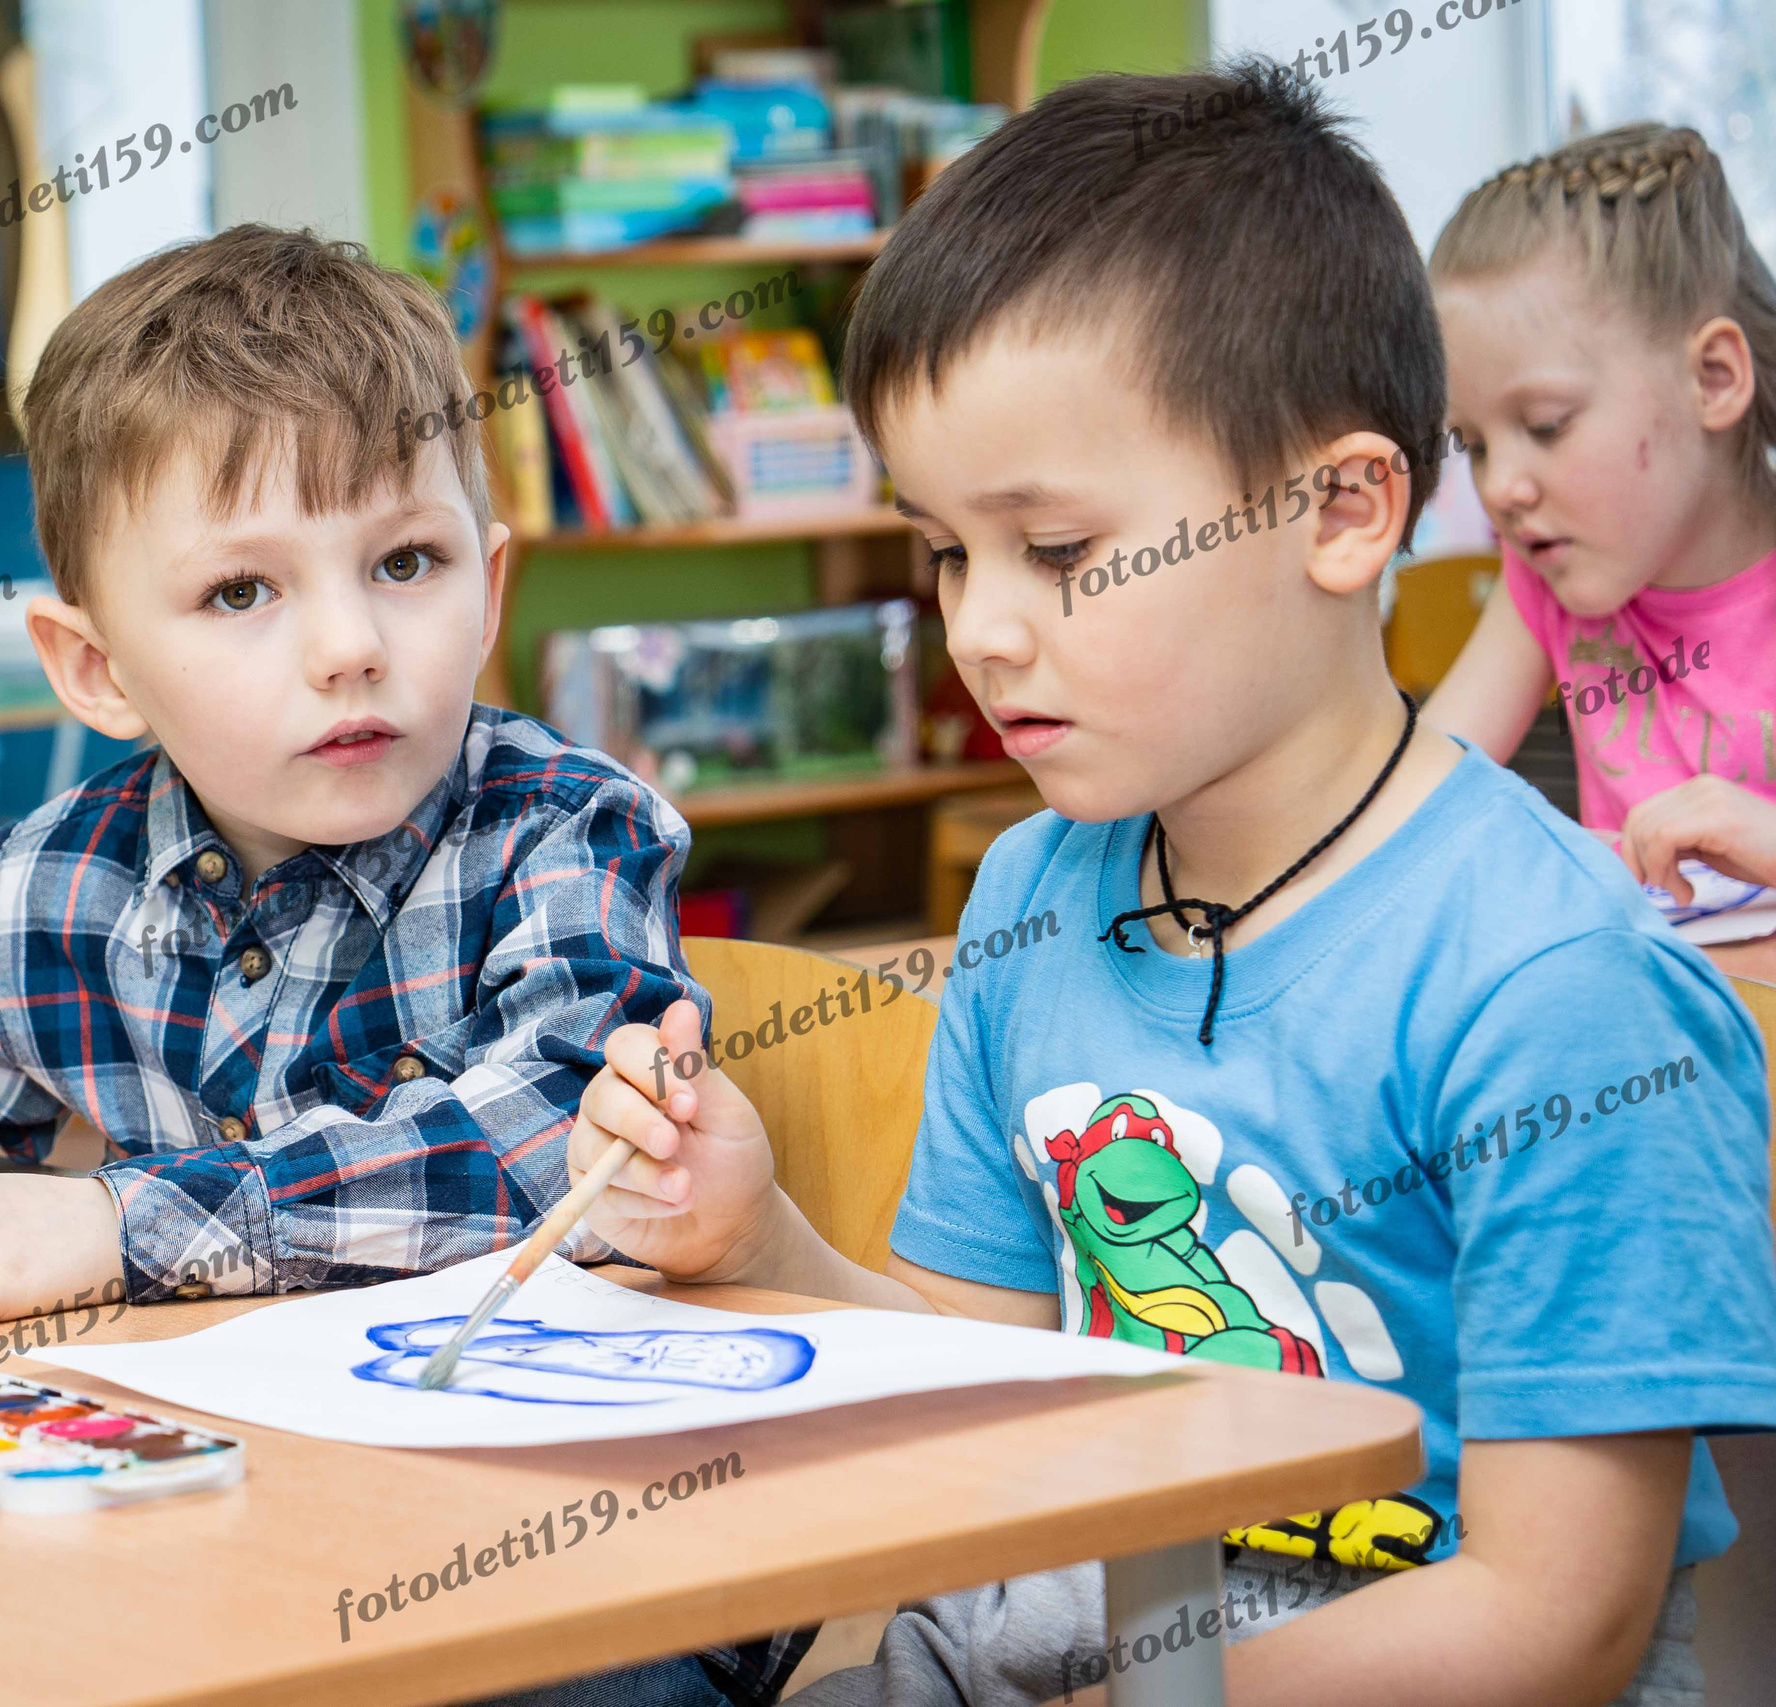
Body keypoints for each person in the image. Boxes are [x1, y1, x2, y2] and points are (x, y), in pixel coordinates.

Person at [524, 63, 1776, 1707]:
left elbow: (1558, 1620)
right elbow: (971, 1380)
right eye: (948, 551)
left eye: (1056, 551)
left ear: (1339, 510)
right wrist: (756, 1231)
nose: (979, 628)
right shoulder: (1035, 892)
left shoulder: (1559, 986)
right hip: (1045, 1642)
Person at [0, 225, 702, 1326]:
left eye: (405, 562)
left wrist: (123, 1227)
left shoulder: (566, 832)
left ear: (490, 585)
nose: (349, 646)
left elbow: (572, 1151)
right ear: (96, 668)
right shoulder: (60, 880)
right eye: (240, 592)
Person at [1426, 125, 1776, 906]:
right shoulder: (1545, 571)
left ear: (1714, 379)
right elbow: (1419, 789)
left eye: (1547, 424)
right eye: (1474, 443)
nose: (1501, 487)